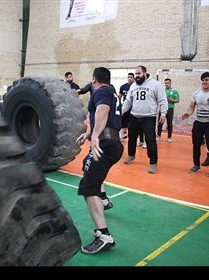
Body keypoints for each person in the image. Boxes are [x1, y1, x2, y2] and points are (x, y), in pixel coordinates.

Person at [76, 67, 123, 254]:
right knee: (87, 168)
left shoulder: (101, 91)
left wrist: (95, 135)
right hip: (113, 143)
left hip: (105, 145)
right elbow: (106, 119)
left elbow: (103, 111)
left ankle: (104, 236)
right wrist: (88, 133)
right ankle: (103, 199)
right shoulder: (111, 91)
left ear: (94, 79)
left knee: (88, 187)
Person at [121, 66, 168, 174]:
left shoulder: (156, 85)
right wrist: (121, 112)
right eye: (136, 74)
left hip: (149, 117)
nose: (137, 76)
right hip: (134, 116)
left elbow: (162, 100)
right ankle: (131, 155)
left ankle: (153, 162)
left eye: (139, 73)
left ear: (145, 73)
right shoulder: (133, 85)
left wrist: (164, 113)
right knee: (132, 138)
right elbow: (128, 101)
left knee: (150, 140)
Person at [182, 72, 209, 177]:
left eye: (207, 80)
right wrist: (188, 113)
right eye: (203, 80)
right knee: (196, 145)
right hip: (198, 122)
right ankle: (196, 165)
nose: (204, 82)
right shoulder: (196, 93)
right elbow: (192, 107)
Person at [157, 78, 179, 143]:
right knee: (160, 123)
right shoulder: (162, 91)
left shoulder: (174, 91)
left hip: (170, 108)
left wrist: (170, 99)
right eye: (165, 83)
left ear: (170, 83)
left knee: (169, 123)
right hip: (162, 108)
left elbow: (177, 100)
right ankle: (158, 136)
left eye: (168, 83)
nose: (166, 84)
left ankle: (169, 137)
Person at [118, 73, 135, 140]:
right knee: (123, 122)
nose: (130, 78)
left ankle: (132, 136)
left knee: (132, 123)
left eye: (131, 77)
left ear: (133, 78)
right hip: (125, 107)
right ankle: (123, 135)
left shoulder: (135, 86)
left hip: (133, 107)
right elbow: (119, 96)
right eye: (129, 77)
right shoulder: (123, 87)